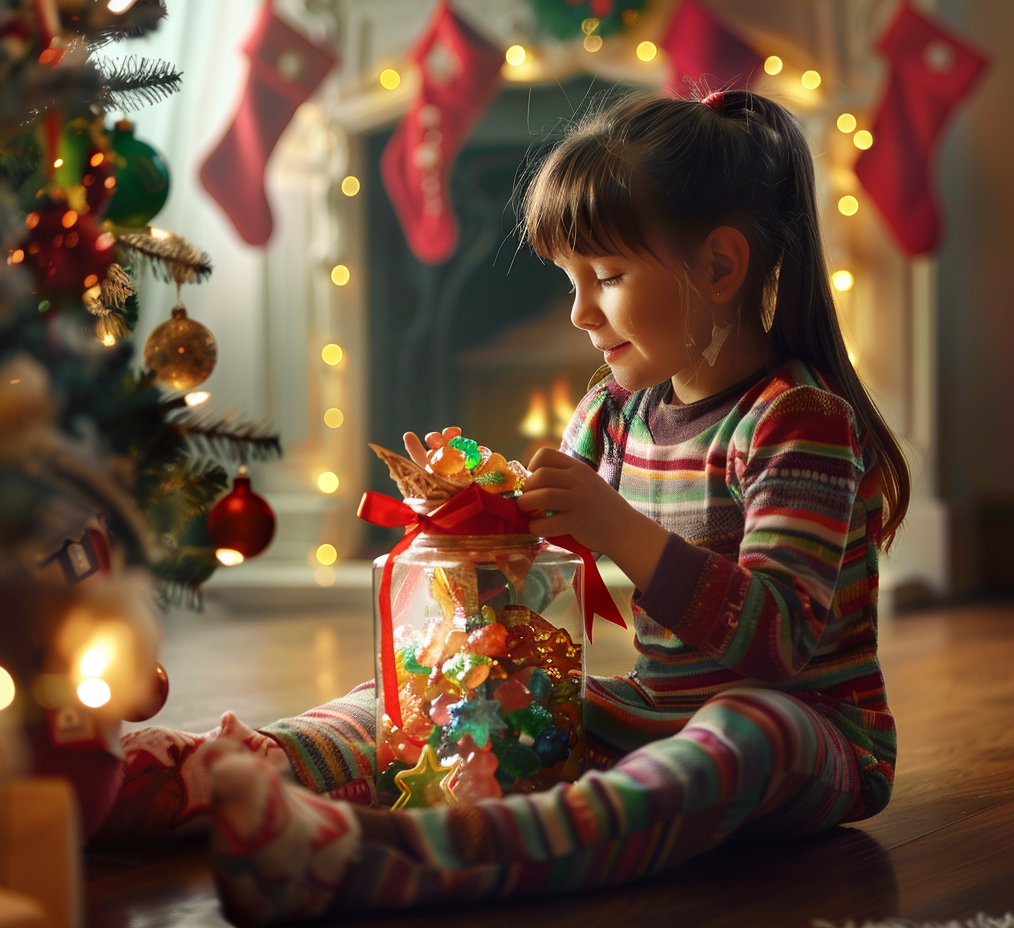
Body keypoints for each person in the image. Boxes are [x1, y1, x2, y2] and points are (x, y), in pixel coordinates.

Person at [94, 88, 906, 926]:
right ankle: (201, 776)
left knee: (744, 731)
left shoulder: (797, 422)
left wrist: (613, 525)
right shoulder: (613, 414)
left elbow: (779, 639)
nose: (580, 313)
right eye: (571, 281)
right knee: (421, 697)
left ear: (720, 266)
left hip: (813, 733)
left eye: (608, 278)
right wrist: (470, 518)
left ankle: (429, 856)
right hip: (653, 711)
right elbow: (532, 570)